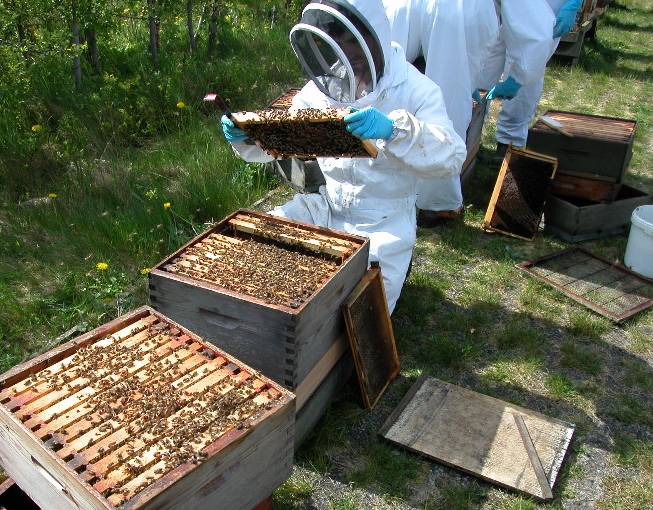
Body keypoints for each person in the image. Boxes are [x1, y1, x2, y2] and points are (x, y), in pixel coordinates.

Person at [220, 0, 466, 313]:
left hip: (385, 223)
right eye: (336, 42)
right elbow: (289, 140)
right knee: (266, 240)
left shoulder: (417, 89)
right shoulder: (323, 87)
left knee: (360, 311)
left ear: (372, 37)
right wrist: (249, 137)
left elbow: (450, 156)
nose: (345, 52)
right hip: (328, 207)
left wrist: (394, 130)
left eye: (351, 41)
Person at [384, 0, 499, 227]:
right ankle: (437, 204)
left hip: (399, 4)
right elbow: (533, 29)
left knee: (388, 81)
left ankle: (384, 190)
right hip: (461, 7)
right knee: (449, 99)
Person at [476, 0, 584, 165]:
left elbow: (534, 51)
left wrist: (574, 3)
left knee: (528, 66)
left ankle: (508, 143)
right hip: (498, 9)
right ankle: (469, 135)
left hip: (550, 6)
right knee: (481, 64)